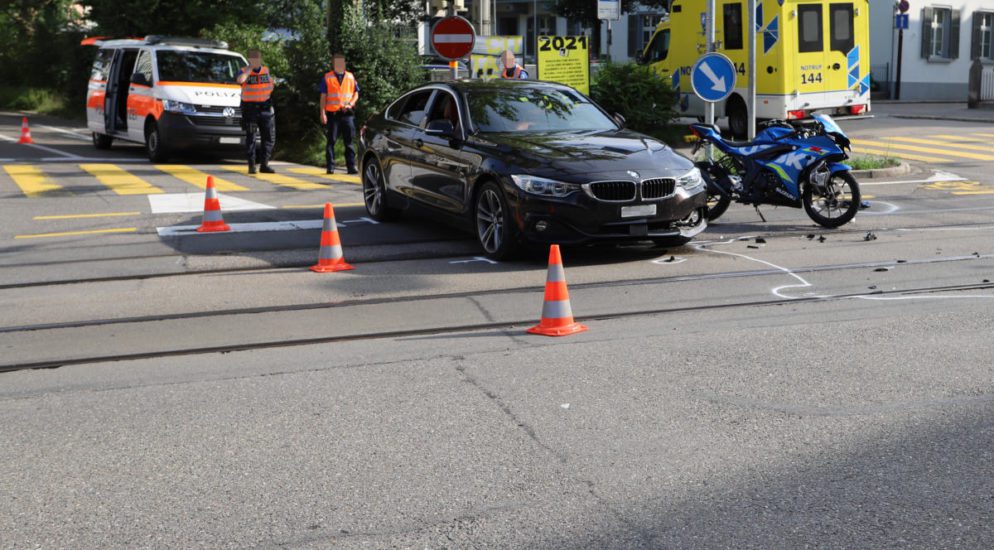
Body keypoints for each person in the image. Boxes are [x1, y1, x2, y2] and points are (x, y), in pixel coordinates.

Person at [320, 53, 360, 175]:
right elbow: (323, 97)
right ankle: (330, 166)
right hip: (333, 114)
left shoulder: (350, 77)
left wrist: (351, 104)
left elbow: (356, 93)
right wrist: (322, 113)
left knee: (349, 142)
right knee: (331, 141)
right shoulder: (327, 77)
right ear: (333, 63)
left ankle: (351, 166)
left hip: (347, 114)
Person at [237, 49, 275, 174]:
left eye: (257, 58)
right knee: (251, 137)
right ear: (249, 60)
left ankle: (264, 164)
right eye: (253, 59)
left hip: (265, 110)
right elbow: (240, 80)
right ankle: (252, 165)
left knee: (268, 137)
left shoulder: (266, 71)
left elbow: (271, 86)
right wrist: (249, 69)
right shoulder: (244, 71)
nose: (256, 61)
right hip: (251, 111)